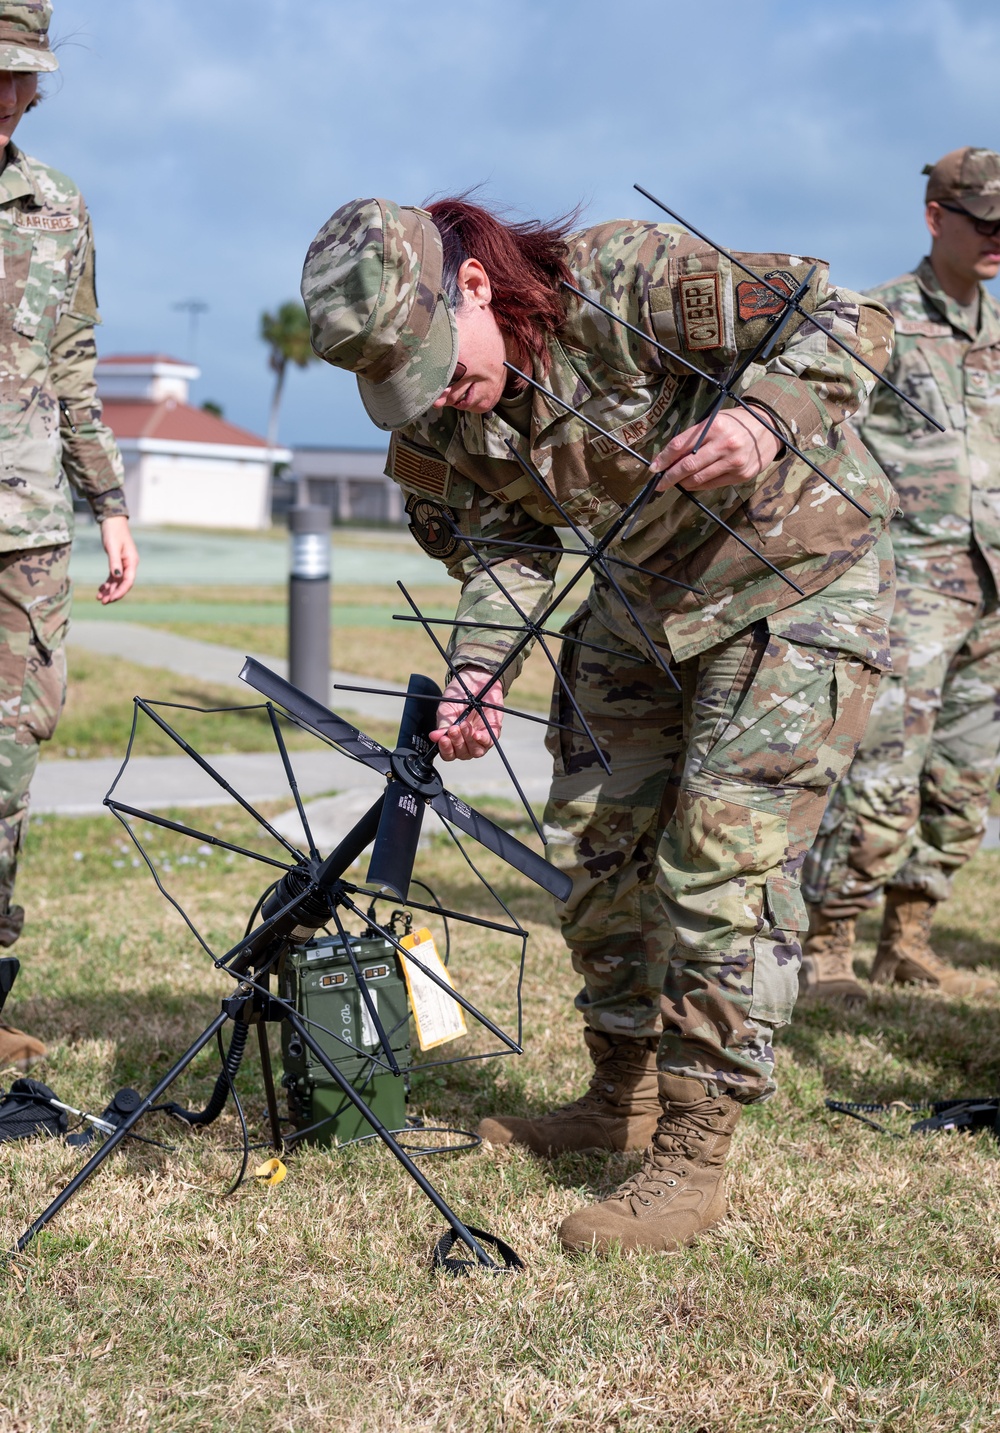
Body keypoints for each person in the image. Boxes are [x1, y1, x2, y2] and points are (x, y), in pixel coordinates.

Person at [301, 194, 896, 1254]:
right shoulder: (442, 402)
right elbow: (501, 537)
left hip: (794, 578)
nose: (433, 391)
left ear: (472, 285)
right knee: (606, 845)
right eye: (405, 381)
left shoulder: (624, 278)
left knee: (720, 857)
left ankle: (691, 1150)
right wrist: (482, 665)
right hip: (642, 596)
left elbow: (843, 318)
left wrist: (761, 418)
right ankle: (616, 1088)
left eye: (436, 358)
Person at [801, 148, 1000, 1004]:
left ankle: (908, 933)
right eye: (982, 220)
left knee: (963, 779)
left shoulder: (998, 332)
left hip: (991, 590)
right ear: (935, 218)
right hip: (907, 587)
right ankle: (828, 943)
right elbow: (820, 429)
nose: (997, 237)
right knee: (881, 772)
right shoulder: (878, 319)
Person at [0, 1, 137, 1069]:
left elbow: (75, 368)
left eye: (22, 78)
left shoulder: (57, 205)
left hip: (27, 529)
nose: (9, 98)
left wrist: (110, 506)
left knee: (8, 759)